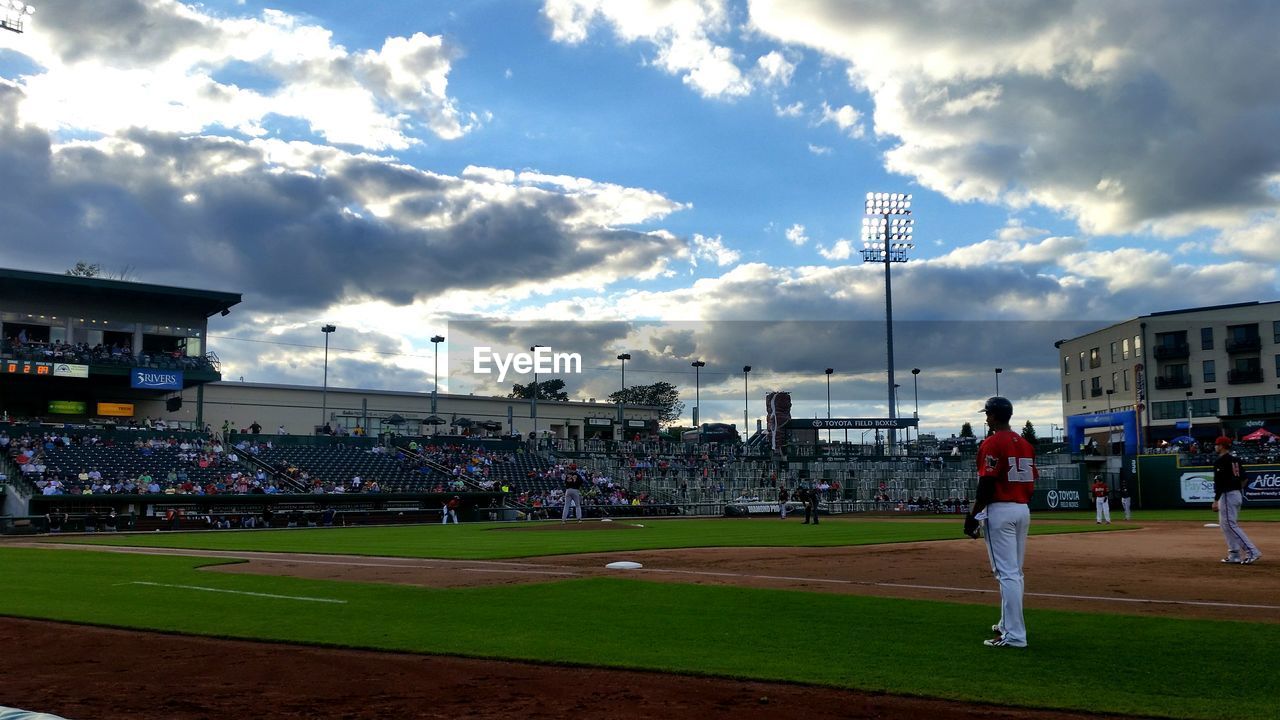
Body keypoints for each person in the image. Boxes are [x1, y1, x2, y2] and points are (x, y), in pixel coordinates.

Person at [963, 396, 1037, 648]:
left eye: (988, 413)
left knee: (1006, 573)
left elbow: (987, 483)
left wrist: (973, 515)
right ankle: (1007, 623)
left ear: (995, 416)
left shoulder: (992, 443)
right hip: (1022, 508)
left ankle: (1015, 635)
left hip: (1001, 510)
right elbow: (1031, 482)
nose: (986, 417)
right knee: (1015, 572)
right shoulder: (1025, 443)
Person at [1212, 437, 1261, 564]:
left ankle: (1252, 551)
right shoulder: (1236, 460)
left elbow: (1220, 483)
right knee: (1225, 525)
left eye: (1216, 444)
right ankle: (1234, 554)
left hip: (1228, 495)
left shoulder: (1221, 461)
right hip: (1235, 494)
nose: (1215, 446)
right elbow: (1245, 479)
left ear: (1222, 446)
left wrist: (1216, 500)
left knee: (1230, 524)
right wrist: (1237, 489)